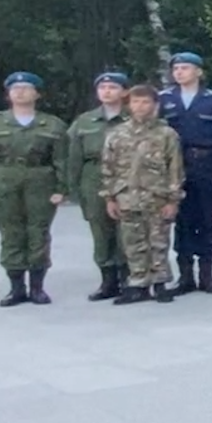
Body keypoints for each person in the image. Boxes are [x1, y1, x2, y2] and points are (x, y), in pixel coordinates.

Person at [0, 71, 70, 307]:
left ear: (37, 94)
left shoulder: (53, 125)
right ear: (8, 94)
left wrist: (62, 188)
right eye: (15, 89)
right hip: (4, 183)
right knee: (11, 233)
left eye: (27, 88)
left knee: (38, 233)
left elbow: (62, 161)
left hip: (40, 182)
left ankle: (37, 288)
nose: (20, 92)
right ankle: (16, 288)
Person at [101, 84, 184, 305]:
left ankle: (160, 283)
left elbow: (175, 169)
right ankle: (138, 284)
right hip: (126, 196)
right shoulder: (117, 134)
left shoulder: (166, 134)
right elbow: (108, 167)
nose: (140, 106)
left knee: (158, 241)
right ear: (129, 105)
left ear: (155, 105)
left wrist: (173, 200)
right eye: (136, 101)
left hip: (157, 197)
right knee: (132, 242)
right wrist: (109, 197)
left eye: (146, 102)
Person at [158, 51, 212, 295]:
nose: (179, 72)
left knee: (208, 220)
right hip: (175, 167)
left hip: (206, 166)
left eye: (185, 68)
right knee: (182, 221)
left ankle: (207, 275)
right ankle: (185, 276)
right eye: (176, 68)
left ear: (199, 72)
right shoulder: (164, 99)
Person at [68, 72, 130, 301]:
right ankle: (108, 280)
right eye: (102, 87)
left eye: (113, 87)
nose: (107, 91)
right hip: (93, 177)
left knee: (126, 229)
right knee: (100, 230)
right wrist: (72, 187)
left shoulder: (133, 117)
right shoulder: (84, 121)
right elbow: (74, 157)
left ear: (124, 92)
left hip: (126, 177)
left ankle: (128, 277)